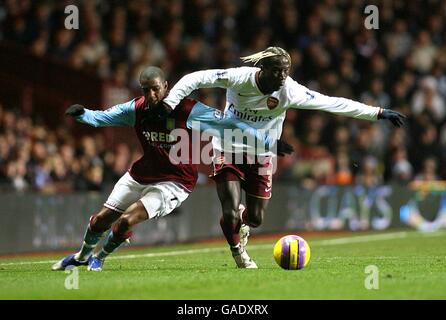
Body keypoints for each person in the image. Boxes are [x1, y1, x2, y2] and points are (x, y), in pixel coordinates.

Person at [161, 46, 406, 268]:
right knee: (230, 211)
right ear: (262, 69)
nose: (281, 76)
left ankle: (243, 224)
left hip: (262, 155)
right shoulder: (238, 78)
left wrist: (378, 112)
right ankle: (239, 253)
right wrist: (170, 102)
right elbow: (196, 78)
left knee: (255, 218)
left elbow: (333, 103)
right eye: (277, 71)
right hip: (228, 149)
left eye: (285, 71)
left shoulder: (290, 91)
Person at [52, 66, 292, 271]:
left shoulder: (187, 109)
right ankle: (81, 258)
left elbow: (228, 124)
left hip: (175, 181)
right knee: (103, 218)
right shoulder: (136, 110)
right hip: (142, 174)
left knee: (127, 220)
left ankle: (100, 258)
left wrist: (268, 142)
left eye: (156, 88)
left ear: (166, 86)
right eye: (146, 89)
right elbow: (103, 117)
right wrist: (83, 114)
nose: (152, 94)